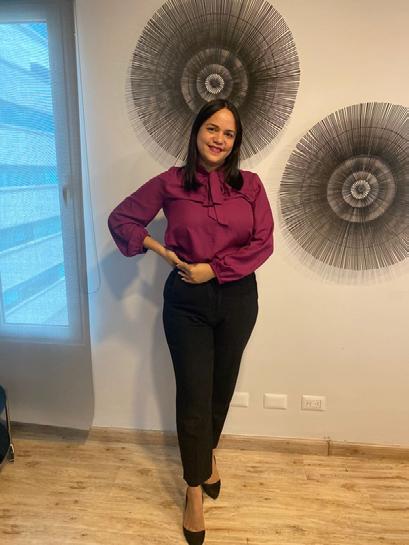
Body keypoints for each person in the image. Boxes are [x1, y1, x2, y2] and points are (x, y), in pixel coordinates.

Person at [108, 99, 274, 545]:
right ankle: (194, 489)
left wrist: (214, 269)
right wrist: (162, 251)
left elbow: (263, 242)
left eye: (229, 133)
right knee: (194, 396)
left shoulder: (251, 186)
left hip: (238, 297)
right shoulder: (169, 183)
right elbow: (122, 219)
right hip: (187, 301)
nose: (219, 139)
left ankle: (207, 457)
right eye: (212, 128)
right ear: (197, 130)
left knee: (221, 388)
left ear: (236, 142)